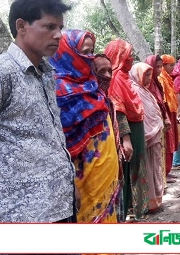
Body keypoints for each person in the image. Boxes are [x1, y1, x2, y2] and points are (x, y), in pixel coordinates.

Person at [0, 0, 75, 222]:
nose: (59, 35)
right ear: (21, 26)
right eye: (49, 27)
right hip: (15, 214)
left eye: (60, 27)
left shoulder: (46, 73)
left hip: (57, 206)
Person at [49, 29, 119, 223]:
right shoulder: (58, 90)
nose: (90, 58)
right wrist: (70, 182)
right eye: (85, 52)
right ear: (68, 53)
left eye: (91, 51)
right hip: (82, 177)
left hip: (104, 172)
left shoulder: (92, 85)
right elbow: (57, 144)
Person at [104, 39, 147, 220]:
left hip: (136, 126)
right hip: (127, 130)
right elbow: (119, 111)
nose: (132, 59)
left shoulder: (125, 77)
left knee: (136, 167)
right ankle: (128, 208)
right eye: (129, 55)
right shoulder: (115, 79)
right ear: (120, 57)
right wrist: (126, 138)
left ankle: (136, 207)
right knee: (127, 170)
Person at [93, 53, 125, 222]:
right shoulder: (84, 102)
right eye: (101, 71)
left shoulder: (106, 100)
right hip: (92, 173)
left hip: (111, 164)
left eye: (109, 70)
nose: (107, 76)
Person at [130, 63, 164, 212]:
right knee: (148, 169)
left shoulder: (145, 90)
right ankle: (149, 203)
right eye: (146, 75)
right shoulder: (135, 90)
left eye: (150, 75)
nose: (149, 78)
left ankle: (156, 199)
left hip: (154, 135)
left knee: (155, 167)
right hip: (146, 136)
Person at [145, 55, 172, 186]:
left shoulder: (156, 83)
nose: (160, 70)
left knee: (160, 152)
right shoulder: (146, 85)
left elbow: (161, 102)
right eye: (157, 67)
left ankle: (161, 183)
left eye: (161, 66)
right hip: (151, 125)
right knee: (154, 156)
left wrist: (165, 117)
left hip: (160, 121)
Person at [159, 55, 179, 181]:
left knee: (171, 141)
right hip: (165, 113)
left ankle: (168, 169)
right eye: (171, 65)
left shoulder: (168, 78)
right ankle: (165, 171)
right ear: (164, 65)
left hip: (171, 112)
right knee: (167, 141)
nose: (173, 68)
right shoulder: (161, 79)